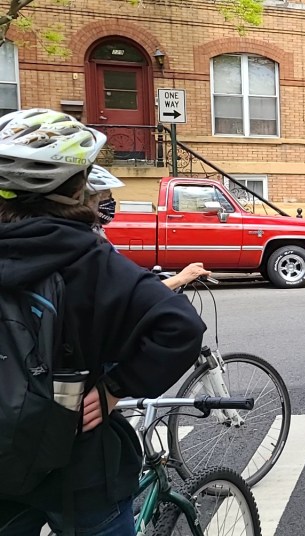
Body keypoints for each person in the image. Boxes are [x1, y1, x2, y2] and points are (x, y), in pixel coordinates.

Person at [0, 108, 206, 534]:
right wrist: (114, 389)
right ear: (78, 187)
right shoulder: (90, 259)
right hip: (78, 466)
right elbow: (180, 326)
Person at [86, 165, 212, 290]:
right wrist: (181, 278)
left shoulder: (95, 230)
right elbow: (127, 290)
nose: (111, 202)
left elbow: (124, 272)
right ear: (88, 200)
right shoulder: (89, 242)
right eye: (106, 197)